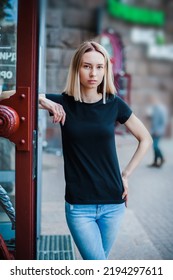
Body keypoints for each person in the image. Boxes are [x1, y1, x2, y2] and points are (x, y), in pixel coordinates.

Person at [39, 41, 152, 260]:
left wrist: (126, 175)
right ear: (77, 69)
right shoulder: (64, 103)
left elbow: (145, 139)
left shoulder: (114, 104)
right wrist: (44, 101)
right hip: (79, 207)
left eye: (100, 67)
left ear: (106, 70)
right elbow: (8, 96)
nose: (94, 73)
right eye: (87, 66)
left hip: (113, 203)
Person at [146, 95, 168, 168]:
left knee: (155, 146)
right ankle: (155, 162)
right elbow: (152, 119)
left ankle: (162, 158)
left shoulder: (161, 109)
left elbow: (164, 121)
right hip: (154, 130)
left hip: (158, 131)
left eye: (152, 100)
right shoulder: (154, 108)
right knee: (154, 146)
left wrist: (159, 130)